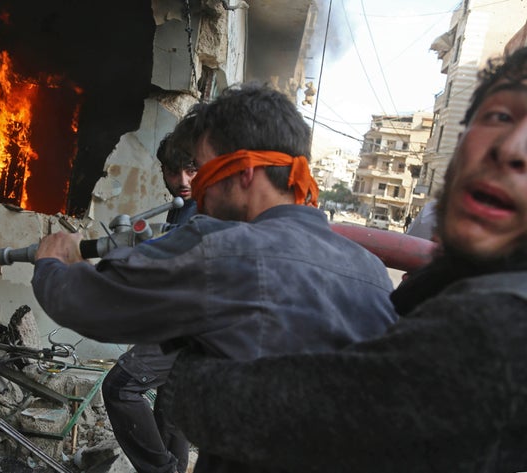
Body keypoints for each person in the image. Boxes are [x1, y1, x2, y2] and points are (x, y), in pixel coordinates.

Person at [163, 47, 527, 472]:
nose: (511, 148)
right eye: (500, 116)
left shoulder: (500, 327)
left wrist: (190, 376)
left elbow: (293, 416)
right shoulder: (453, 282)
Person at [31, 84, 398, 471]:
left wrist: (54, 261)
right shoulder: (371, 271)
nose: (197, 192)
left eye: (204, 172)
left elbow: (91, 303)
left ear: (246, 173)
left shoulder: (223, 249)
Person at [101, 121, 197, 473]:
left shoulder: (209, 206)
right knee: (170, 412)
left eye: (191, 170)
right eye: (174, 172)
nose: (183, 181)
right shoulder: (180, 206)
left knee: (121, 386)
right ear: (163, 172)